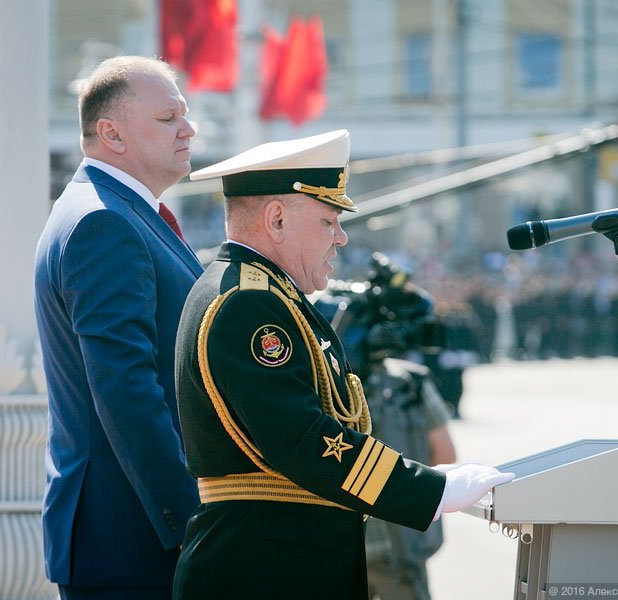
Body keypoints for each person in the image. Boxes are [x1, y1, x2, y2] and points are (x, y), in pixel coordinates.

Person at [172, 129, 514, 599]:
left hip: (277, 563)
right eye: (328, 221)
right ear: (276, 219)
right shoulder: (248, 304)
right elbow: (303, 438)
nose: (341, 237)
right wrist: (427, 489)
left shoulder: (265, 295)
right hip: (262, 569)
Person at [34, 55, 203, 599]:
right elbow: (125, 387)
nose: (188, 128)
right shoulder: (104, 221)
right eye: (167, 117)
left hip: (129, 531)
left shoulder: (115, 211)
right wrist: (188, 521)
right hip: (132, 537)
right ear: (111, 132)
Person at [313, 272, 457, 600]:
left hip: (337, 548)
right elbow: (445, 452)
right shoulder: (410, 382)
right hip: (399, 540)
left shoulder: (317, 386)